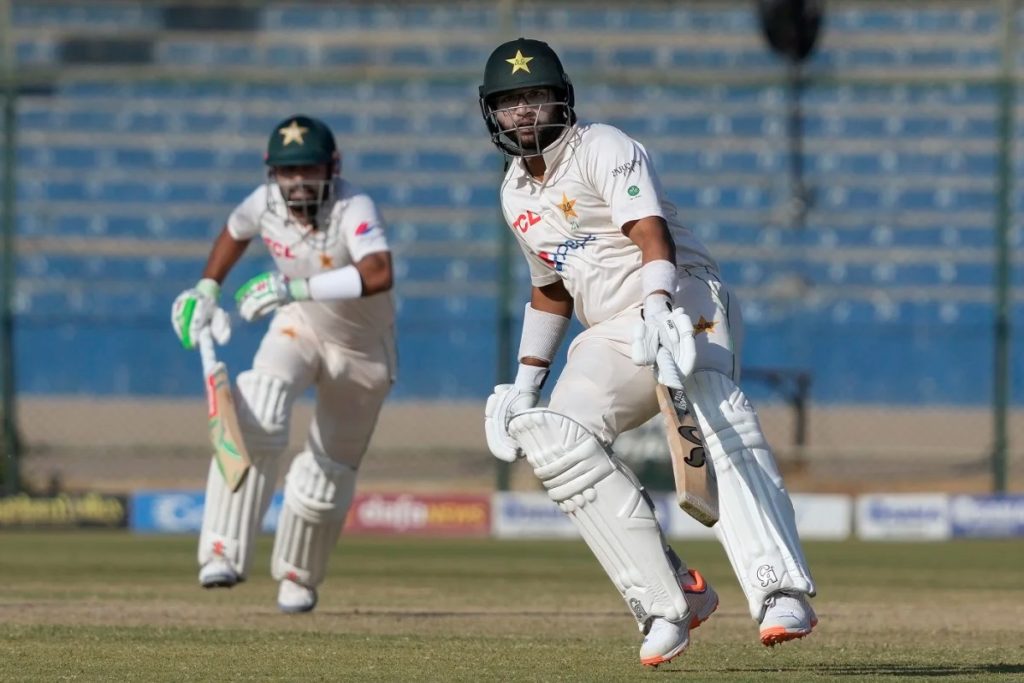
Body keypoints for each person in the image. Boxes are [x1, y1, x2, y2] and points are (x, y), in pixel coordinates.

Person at [479, 38, 817, 666]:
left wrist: (660, 306)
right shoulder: (514, 195)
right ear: (491, 113)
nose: (522, 112)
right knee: (557, 438)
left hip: (683, 292)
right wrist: (525, 386)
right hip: (607, 329)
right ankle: (670, 599)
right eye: (509, 103)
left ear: (561, 98)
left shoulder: (603, 146)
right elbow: (550, 290)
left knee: (716, 407)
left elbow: (650, 233)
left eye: (533, 97)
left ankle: (780, 589)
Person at [170, 114, 397, 613]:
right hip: (300, 327)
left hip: (361, 354)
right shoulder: (264, 202)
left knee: (325, 477)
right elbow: (235, 230)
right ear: (273, 173)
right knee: (257, 406)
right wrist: (208, 287)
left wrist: (291, 287)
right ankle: (222, 549)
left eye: (309, 169)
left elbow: (379, 272)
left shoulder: (352, 205)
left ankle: (298, 575)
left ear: (331, 169)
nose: (297, 182)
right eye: (287, 172)